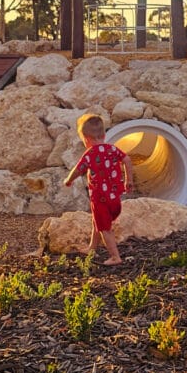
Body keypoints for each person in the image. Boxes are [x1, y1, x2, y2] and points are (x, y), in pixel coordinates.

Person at [64, 113, 134, 266]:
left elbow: (78, 170)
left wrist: (68, 180)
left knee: (105, 229)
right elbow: (127, 160)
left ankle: (115, 256)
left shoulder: (89, 154)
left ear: (86, 139)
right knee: (98, 221)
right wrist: (129, 180)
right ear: (103, 134)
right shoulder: (112, 149)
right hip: (115, 199)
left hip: (100, 198)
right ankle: (92, 247)